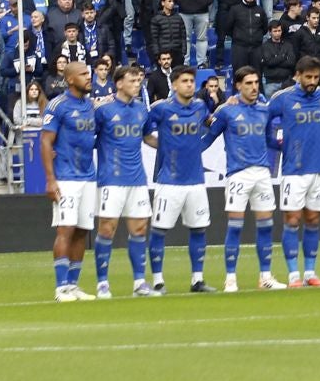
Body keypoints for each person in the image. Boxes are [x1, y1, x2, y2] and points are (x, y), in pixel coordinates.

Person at [206, 67, 285, 293]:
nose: (254, 87)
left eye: (256, 82)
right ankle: (230, 279)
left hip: (262, 173)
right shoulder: (227, 111)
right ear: (238, 85)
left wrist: (286, 145)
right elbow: (209, 136)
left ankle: (266, 277)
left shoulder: (264, 110)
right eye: (248, 83)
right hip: (238, 174)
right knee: (235, 227)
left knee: (266, 226)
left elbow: (269, 139)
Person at [142, 65, 215, 294]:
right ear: (174, 85)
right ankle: (158, 281)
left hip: (196, 180)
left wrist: (202, 144)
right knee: (159, 230)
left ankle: (197, 280)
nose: (189, 85)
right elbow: (145, 133)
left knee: (199, 229)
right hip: (169, 181)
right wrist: (163, 146)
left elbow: (211, 123)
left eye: (192, 81)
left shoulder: (200, 106)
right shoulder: (161, 108)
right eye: (184, 81)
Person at [268, 56, 320, 289]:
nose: (313, 81)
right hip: (293, 170)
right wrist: (275, 144)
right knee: (292, 220)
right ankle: (293, 275)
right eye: (308, 77)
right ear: (298, 76)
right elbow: (262, 118)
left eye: (316, 77)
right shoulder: (283, 98)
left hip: (319, 167)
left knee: (313, 220)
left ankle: (310, 273)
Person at [91, 64, 153, 299]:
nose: (137, 85)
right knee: (107, 229)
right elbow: (89, 137)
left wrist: (172, 145)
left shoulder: (141, 110)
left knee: (139, 229)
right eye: (132, 81)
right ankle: (102, 283)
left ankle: (139, 282)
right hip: (111, 178)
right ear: (118, 84)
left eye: (138, 81)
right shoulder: (103, 110)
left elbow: (147, 137)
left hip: (137, 178)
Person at [41, 60, 100, 302]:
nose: (89, 77)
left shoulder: (90, 105)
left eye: (89, 73)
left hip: (88, 176)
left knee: (82, 232)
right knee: (65, 229)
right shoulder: (58, 105)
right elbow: (46, 142)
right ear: (70, 79)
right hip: (66, 178)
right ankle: (61, 288)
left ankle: (73, 286)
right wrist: (50, 180)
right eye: (84, 74)